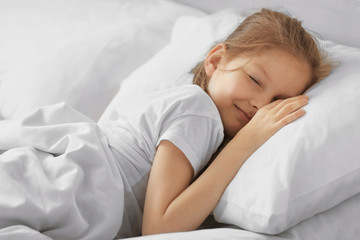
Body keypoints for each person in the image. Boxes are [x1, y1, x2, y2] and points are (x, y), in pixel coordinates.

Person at [0, 8, 333, 240]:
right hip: (62, 187)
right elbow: (160, 229)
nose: (261, 105)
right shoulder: (197, 111)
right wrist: (248, 141)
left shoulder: (194, 113)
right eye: (254, 79)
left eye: (278, 101)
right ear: (216, 60)